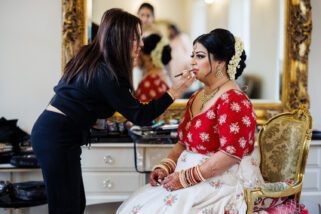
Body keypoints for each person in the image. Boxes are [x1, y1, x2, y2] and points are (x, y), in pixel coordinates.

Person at [31, 8, 195, 214]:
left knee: (73, 204)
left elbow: (90, 102)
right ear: (120, 39)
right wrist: (174, 90)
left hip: (55, 133)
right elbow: (141, 115)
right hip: (56, 136)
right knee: (67, 208)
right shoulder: (105, 72)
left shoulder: (93, 59)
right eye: (137, 38)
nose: (141, 44)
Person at [117, 29, 263, 213]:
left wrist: (185, 178)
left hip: (221, 182)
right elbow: (183, 143)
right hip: (189, 179)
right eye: (192, 55)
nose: (192, 61)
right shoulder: (196, 97)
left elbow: (229, 155)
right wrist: (166, 166)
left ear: (220, 62)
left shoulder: (234, 100)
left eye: (200, 56)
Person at [136, 34, 172, 102]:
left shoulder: (149, 82)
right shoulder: (163, 75)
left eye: (139, 51)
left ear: (148, 56)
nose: (136, 56)